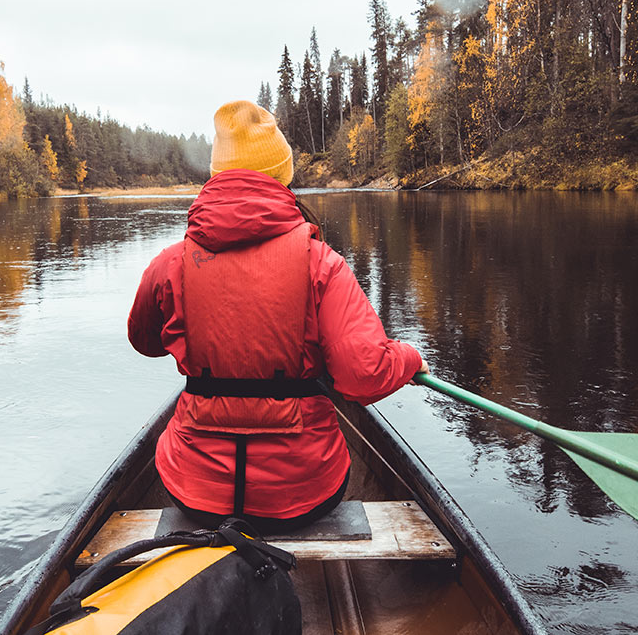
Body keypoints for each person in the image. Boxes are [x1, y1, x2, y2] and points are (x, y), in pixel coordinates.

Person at [128, 99, 427, 534]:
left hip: (195, 490)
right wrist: (410, 358)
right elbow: (363, 375)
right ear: (282, 176)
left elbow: (145, 342)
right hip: (304, 491)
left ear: (217, 174)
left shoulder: (170, 264)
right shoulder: (322, 265)